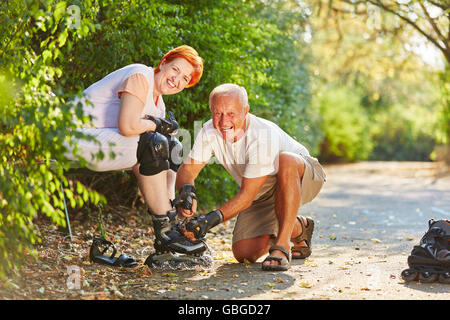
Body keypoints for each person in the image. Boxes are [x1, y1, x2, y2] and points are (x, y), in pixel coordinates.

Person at [66, 45, 208, 267]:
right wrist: (157, 124)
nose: (177, 79)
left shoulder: (159, 104)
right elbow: (127, 126)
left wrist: (180, 200)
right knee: (155, 141)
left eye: (185, 78)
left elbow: (150, 162)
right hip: (69, 137)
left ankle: (169, 232)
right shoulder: (141, 75)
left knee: (172, 145)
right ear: (163, 64)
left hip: (97, 144)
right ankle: (167, 235)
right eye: (175, 70)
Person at [174, 83, 326, 271]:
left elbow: (246, 196)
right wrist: (187, 192)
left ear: (245, 111)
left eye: (231, 114)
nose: (223, 121)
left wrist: (206, 222)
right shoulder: (208, 131)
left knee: (285, 160)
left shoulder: (262, 134)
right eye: (217, 113)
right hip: (261, 188)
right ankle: (298, 228)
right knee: (244, 253)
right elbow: (188, 171)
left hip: (302, 175)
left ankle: (283, 246)